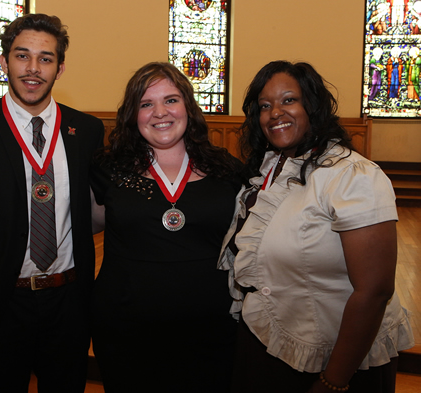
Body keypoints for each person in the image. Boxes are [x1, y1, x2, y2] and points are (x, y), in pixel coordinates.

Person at [0, 13, 105, 393]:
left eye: (45, 59)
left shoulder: (86, 131)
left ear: (60, 68)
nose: (33, 69)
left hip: (68, 302)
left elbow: (107, 201)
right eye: (22, 56)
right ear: (4, 61)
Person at [218, 60, 414, 393]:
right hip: (266, 339)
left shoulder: (352, 175)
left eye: (288, 100)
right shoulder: (270, 169)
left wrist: (333, 381)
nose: (275, 112)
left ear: (313, 105)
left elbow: (375, 290)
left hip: (333, 359)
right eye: (265, 106)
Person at [90, 62, 241, 392]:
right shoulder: (108, 169)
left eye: (171, 100)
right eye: (146, 104)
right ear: (133, 114)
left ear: (188, 105)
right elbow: (80, 226)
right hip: (126, 334)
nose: (160, 112)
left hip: (211, 333)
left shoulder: (226, 169)